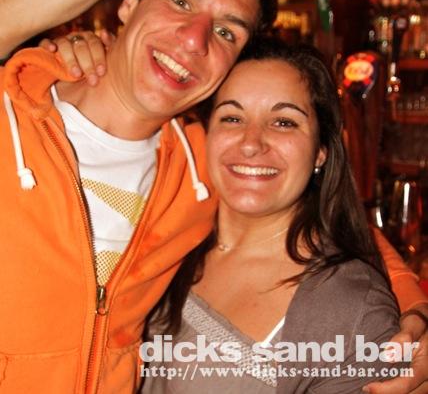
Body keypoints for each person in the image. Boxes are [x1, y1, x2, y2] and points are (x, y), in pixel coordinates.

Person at [0, 0, 311, 393]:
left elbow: (323, 215)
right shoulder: (10, 119)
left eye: (226, 32)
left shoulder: (205, 172)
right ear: (129, 5)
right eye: (180, 1)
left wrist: (411, 306)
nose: (193, 40)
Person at [140, 36, 424, 393]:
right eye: (232, 117)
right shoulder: (164, 228)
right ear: (205, 133)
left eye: (284, 122)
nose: (251, 143)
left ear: (321, 150)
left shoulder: (350, 312)